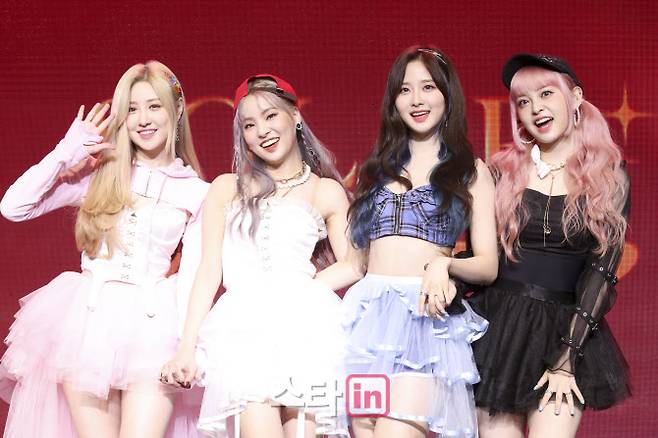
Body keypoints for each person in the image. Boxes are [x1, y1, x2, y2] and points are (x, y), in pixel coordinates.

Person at [0, 61, 209, 438]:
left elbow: (195, 277)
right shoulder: (100, 172)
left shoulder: (198, 192)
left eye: (154, 106)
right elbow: (13, 207)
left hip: (155, 328)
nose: (143, 119)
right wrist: (65, 153)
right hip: (88, 323)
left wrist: (187, 346)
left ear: (177, 110)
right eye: (132, 109)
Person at [160, 74, 360, 438]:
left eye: (271, 116)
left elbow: (354, 263)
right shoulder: (226, 188)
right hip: (243, 335)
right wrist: (186, 347)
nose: (262, 131)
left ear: (295, 116)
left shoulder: (324, 191)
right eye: (249, 125)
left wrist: (306, 288)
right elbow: (209, 271)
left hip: (308, 331)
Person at [470, 54, 631, 438]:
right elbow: (481, 255)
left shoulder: (609, 178)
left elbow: (602, 271)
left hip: (566, 332)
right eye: (523, 101)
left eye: (546, 94)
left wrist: (566, 357)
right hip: (498, 332)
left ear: (575, 97)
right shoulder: (500, 171)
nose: (535, 109)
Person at [343, 46, 498, 438]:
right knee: (364, 429)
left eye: (428, 87)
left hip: (423, 321)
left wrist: (446, 263)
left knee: (394, 431)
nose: (416, 100)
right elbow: (355, 263)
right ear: (393, 101)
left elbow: (487, 265)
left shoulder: (470, 171)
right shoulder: (375, 170)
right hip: (368, 326)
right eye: (405, 89)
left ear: (447, 95)